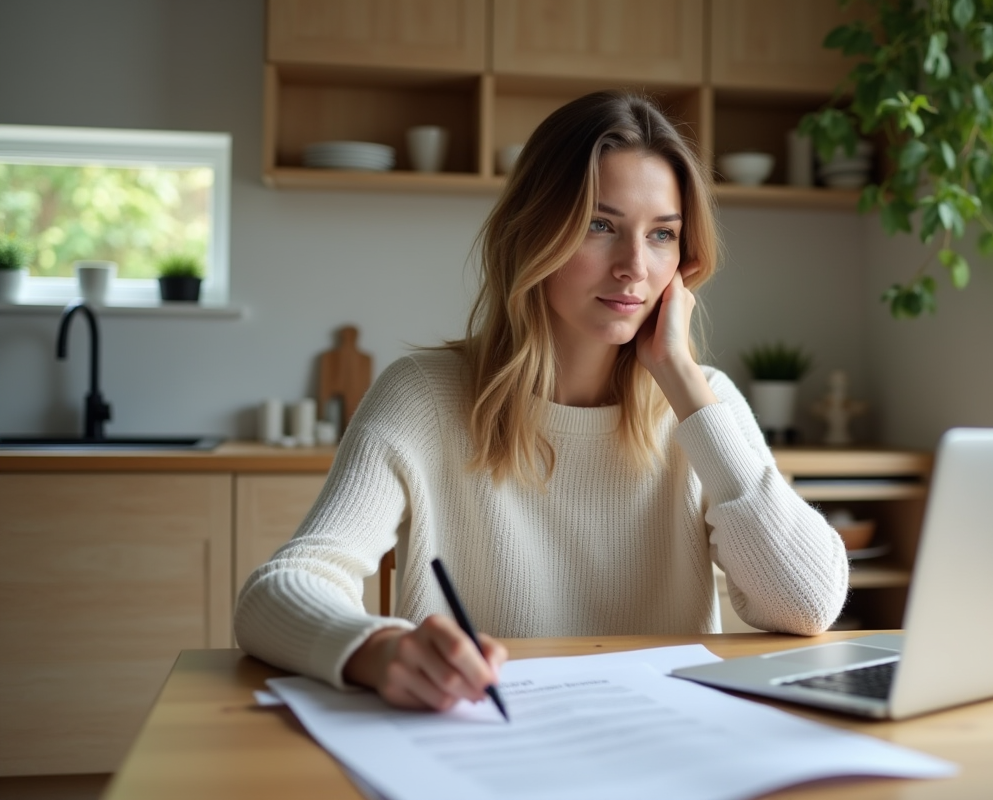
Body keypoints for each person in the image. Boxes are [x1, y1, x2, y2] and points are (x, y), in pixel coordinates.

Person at [234, 91, 850, 713]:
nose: (634, 267)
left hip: (661, 744)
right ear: (533, 231)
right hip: (483, 746)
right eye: (600, 225)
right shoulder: (423, 397)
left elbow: (808, 602)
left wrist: (684, 384)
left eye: (662, 234)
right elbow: (277, 593)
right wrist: (376, 649)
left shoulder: (705, 403)